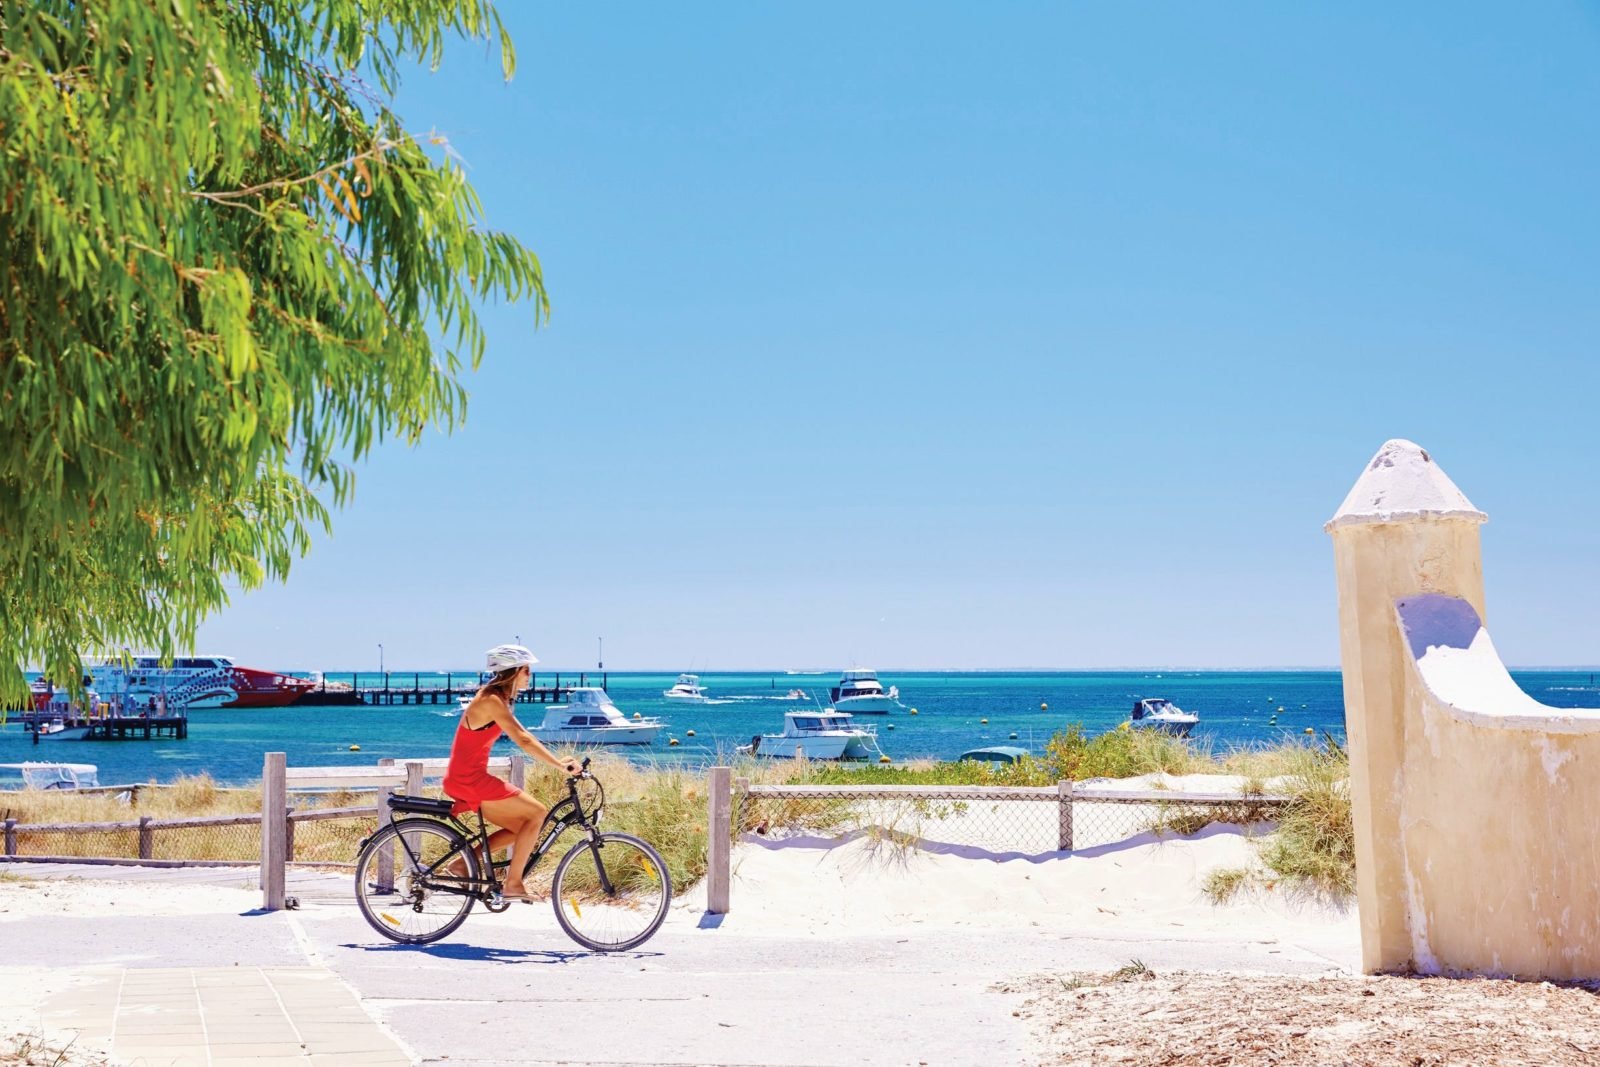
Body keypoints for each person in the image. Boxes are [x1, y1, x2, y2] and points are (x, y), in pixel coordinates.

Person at [441, 643, 578, 901]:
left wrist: (558, 761)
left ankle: (462, 865)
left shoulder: (498, 698)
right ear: (514, 671)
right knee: (537, 813)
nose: (530, 675)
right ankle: (513, 884)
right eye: (527, 670)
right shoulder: (491, 701)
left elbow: (523, 735)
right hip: (468, 779)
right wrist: (560, 765)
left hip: (469, 777)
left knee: (524, 827)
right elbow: (523, 739)